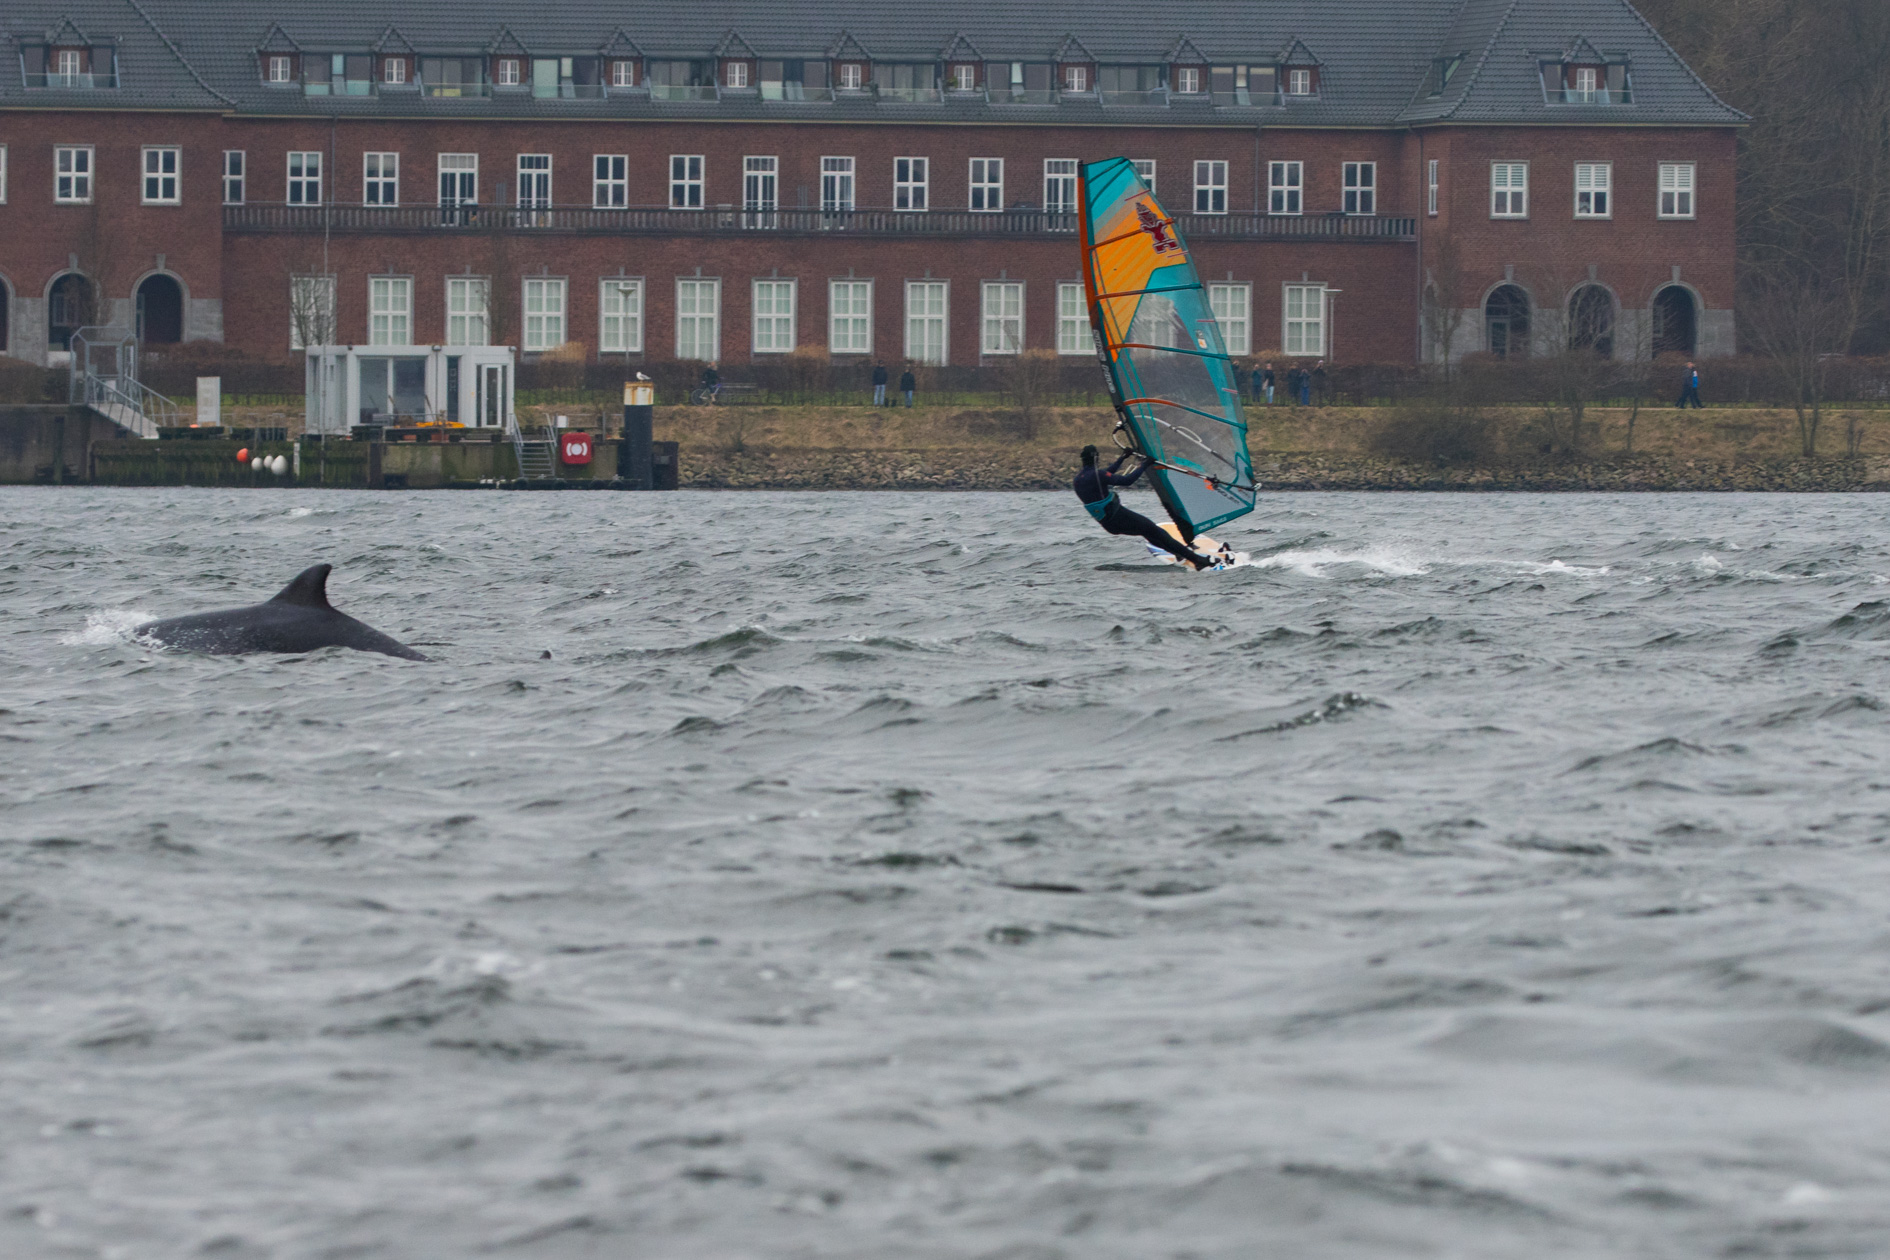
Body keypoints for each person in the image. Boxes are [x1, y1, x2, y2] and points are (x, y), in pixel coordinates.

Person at [1073, 445, 1214, 570]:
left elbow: (1107, 474)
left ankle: (1178, 553)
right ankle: (1197, 560)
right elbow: (1127, 481)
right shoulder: (1098, 475)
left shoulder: (1079, 479)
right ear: (1096, 457)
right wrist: (1145, 464)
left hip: (1109, 525)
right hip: (1118, 516)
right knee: (1156, 531)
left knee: (1147, 532)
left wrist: (1123, 458)